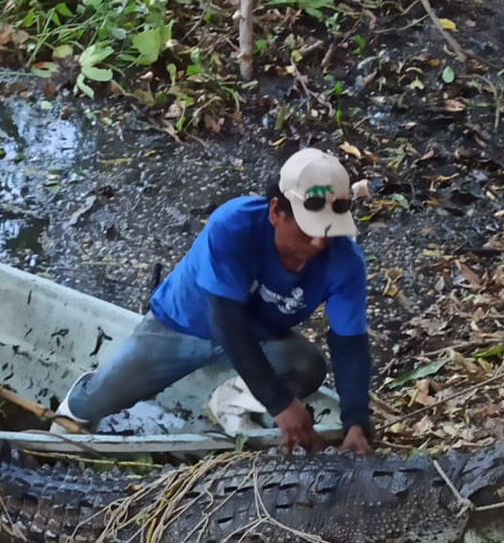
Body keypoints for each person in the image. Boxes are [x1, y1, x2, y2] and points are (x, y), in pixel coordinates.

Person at [55, 148, 375, 454]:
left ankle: (230, 402)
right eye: (308, 230)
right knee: (102, 397)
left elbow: (350, 344)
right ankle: (70, 414)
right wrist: (280, 403)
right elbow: (226, 322)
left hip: (257, 337)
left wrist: (356, 421)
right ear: (276, 211)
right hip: (184, 324)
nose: (320, 243)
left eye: (329, 232)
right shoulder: (233, 226)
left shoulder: (345, 260)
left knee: (308, 365)